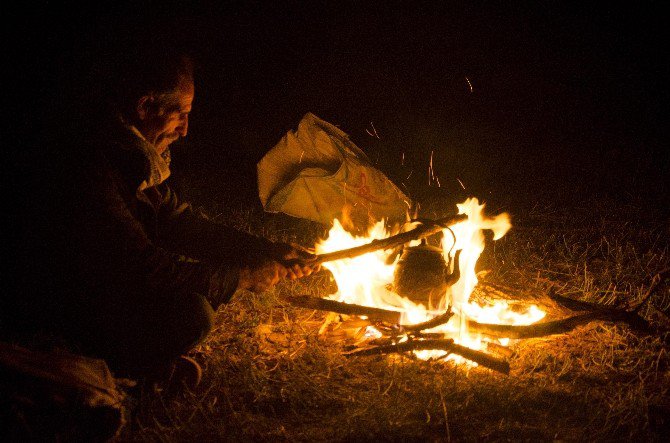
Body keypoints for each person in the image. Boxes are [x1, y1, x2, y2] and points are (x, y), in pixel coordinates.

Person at [3, 40, 317, 383]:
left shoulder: (127, 151)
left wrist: (263, 250)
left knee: (190, 305)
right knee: (191, 314)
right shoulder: (91, 165)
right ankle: (106, 361)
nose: (185, 129)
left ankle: (135, 357)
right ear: (145, 106)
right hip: (47, 299)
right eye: (180, 113)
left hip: (94, 284)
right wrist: (242, 277)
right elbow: (146, 268)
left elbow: (179, 222)